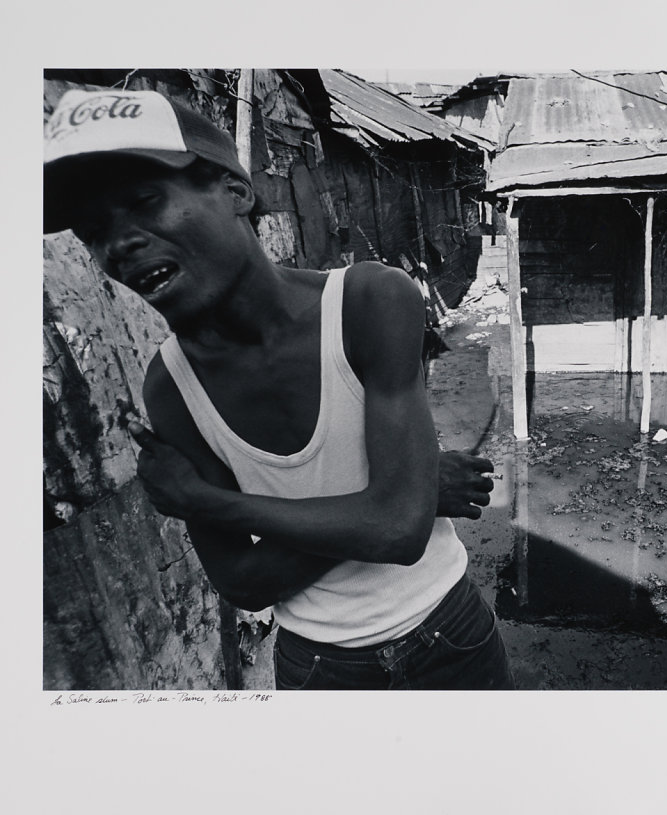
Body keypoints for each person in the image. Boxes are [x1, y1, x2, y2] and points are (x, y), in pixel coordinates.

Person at [43, 87, 515, 690]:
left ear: (235, 191)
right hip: (322, 668)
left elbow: (398, 533)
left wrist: (208, 502)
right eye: (93, 231)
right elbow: (243, 582)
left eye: (144, 201)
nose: (120, 244)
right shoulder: (172, 388)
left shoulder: (371, 302)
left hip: (449, 632)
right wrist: (410, 492)